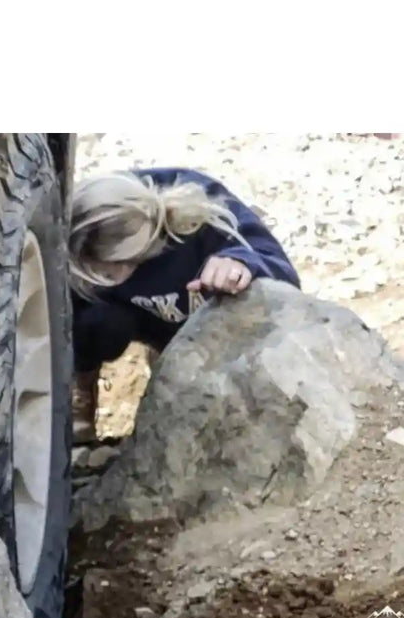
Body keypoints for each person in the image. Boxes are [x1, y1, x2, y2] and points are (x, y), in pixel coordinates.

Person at [69, 166, 300, 442]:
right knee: (94, 322)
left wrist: (240, 262)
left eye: (112, 269)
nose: (107, 278)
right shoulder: (85, 225)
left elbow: (285, 277)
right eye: (92, 273)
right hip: (131, 315)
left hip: (203, 325)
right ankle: (80, 390)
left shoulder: (207, 211)